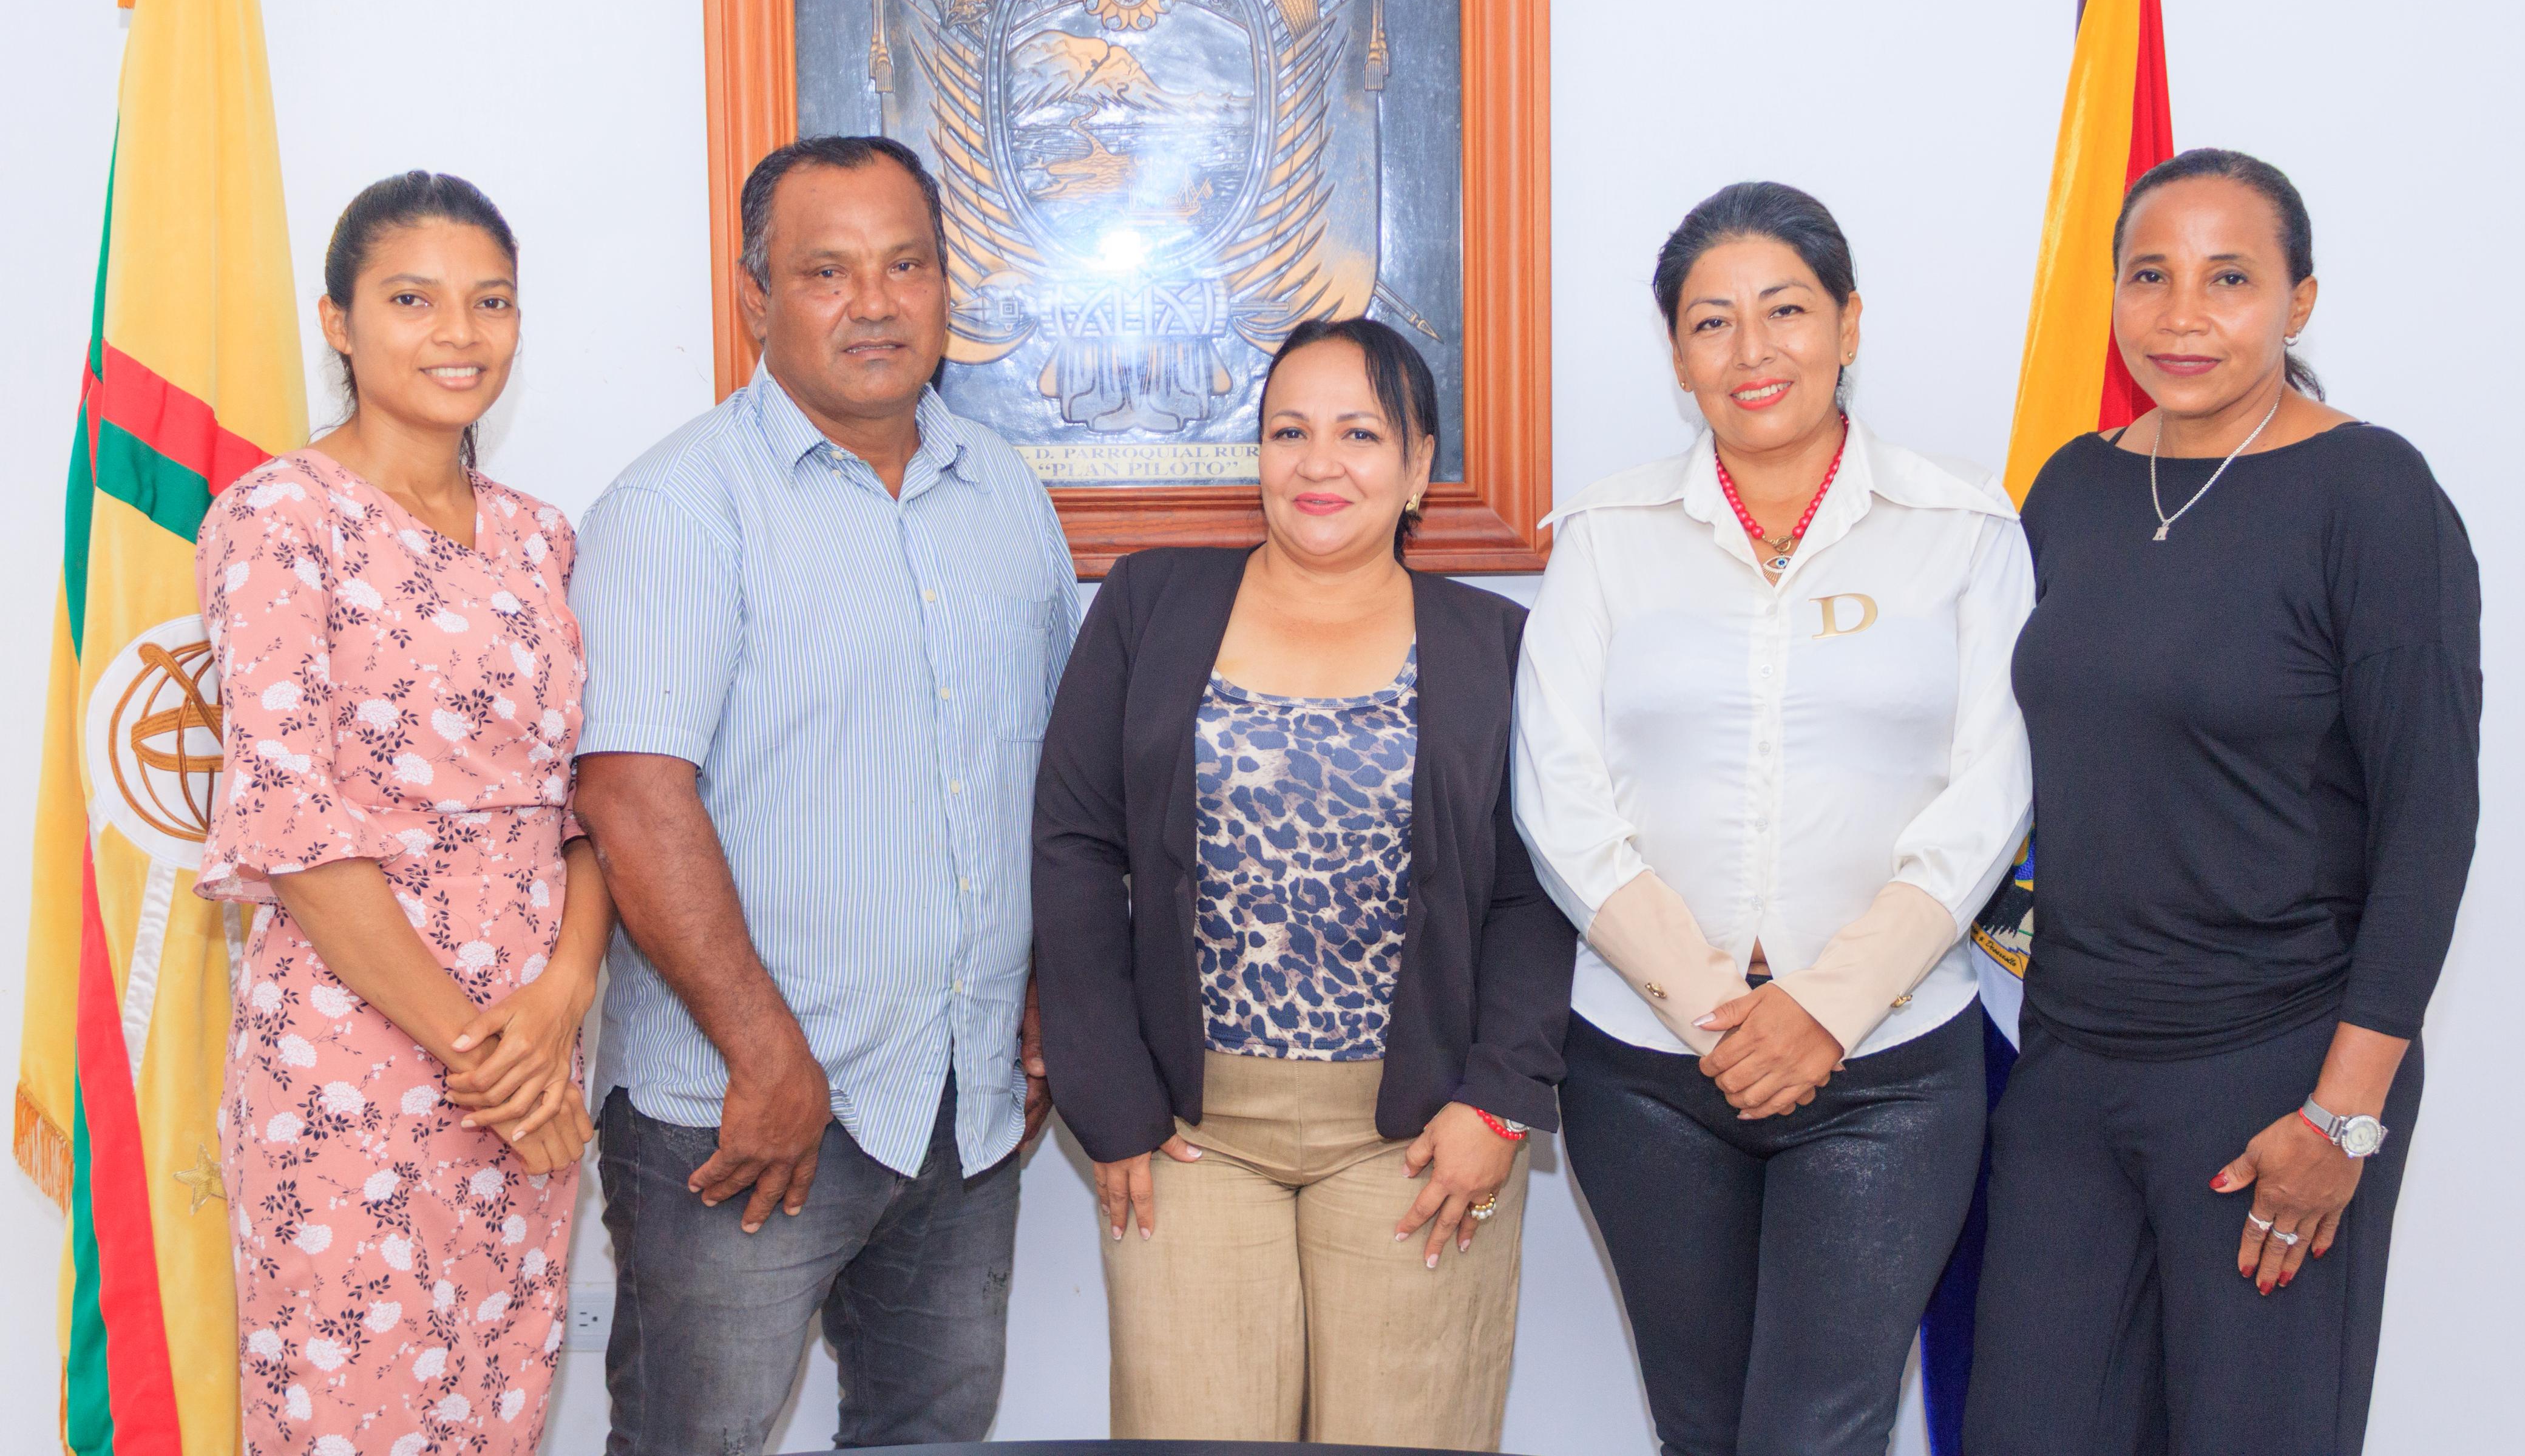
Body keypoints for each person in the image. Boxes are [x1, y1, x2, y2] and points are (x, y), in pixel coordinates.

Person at [1964, 150, 2481, 1456]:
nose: (2182, 314)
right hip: (2071, 1064)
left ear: (2299, 300)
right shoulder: (2071, 486)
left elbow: (2430, 822)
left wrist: (2340, 1115)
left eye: (2230, 278)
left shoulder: (2372, 494)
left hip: (2276, 1073)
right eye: (2150, 276)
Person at [568, 135, 1077, 1454]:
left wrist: (1040, 994)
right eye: (826, 271)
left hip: (960, 1112)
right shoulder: (678, 507)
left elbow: (1045, 778)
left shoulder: (1007, 493)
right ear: (755, 296)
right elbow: (632, 798)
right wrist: (766, 1053)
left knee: (931, 1439)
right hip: (742, 1116)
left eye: (906, 266)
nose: (874, 304)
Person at [1514, 183, 2035, 1456]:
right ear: (1677, 353)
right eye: (1712, 322)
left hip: (1889, 1064)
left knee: (1821, 1431)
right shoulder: (1606, 535)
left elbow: (1993, 791)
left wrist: (1827, 1006)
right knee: (1701, 1430)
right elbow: (1558, 792)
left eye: (1787, 310)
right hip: (1647, 1062)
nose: (1752, 350)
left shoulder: (1963, 528)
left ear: (1849, 323)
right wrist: (1712, 1004)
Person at [1033, 317, 1574, 1451]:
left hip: (1422, 1133)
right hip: (1186, 1131)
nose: (1319, 462)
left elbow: (1534, 893)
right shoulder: (1149, 605)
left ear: (1420, 466)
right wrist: (1109, 1095)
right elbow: (1077, 843)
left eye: (1360, 433)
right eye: (1290, 431)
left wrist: (1500, 1099)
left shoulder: (1497, 645)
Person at [199, 171, 609, 1455]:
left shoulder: (540, 539)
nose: (459, 333)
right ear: (337, 321)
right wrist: (482, 1057)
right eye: (413, 300)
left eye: (491, 300)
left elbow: (587, 805)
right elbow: (291, 829)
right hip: (356, 1061)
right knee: (353, 1418)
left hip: (531, 1051)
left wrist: (558, 1006)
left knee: (497, 1409)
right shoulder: (279, 520)